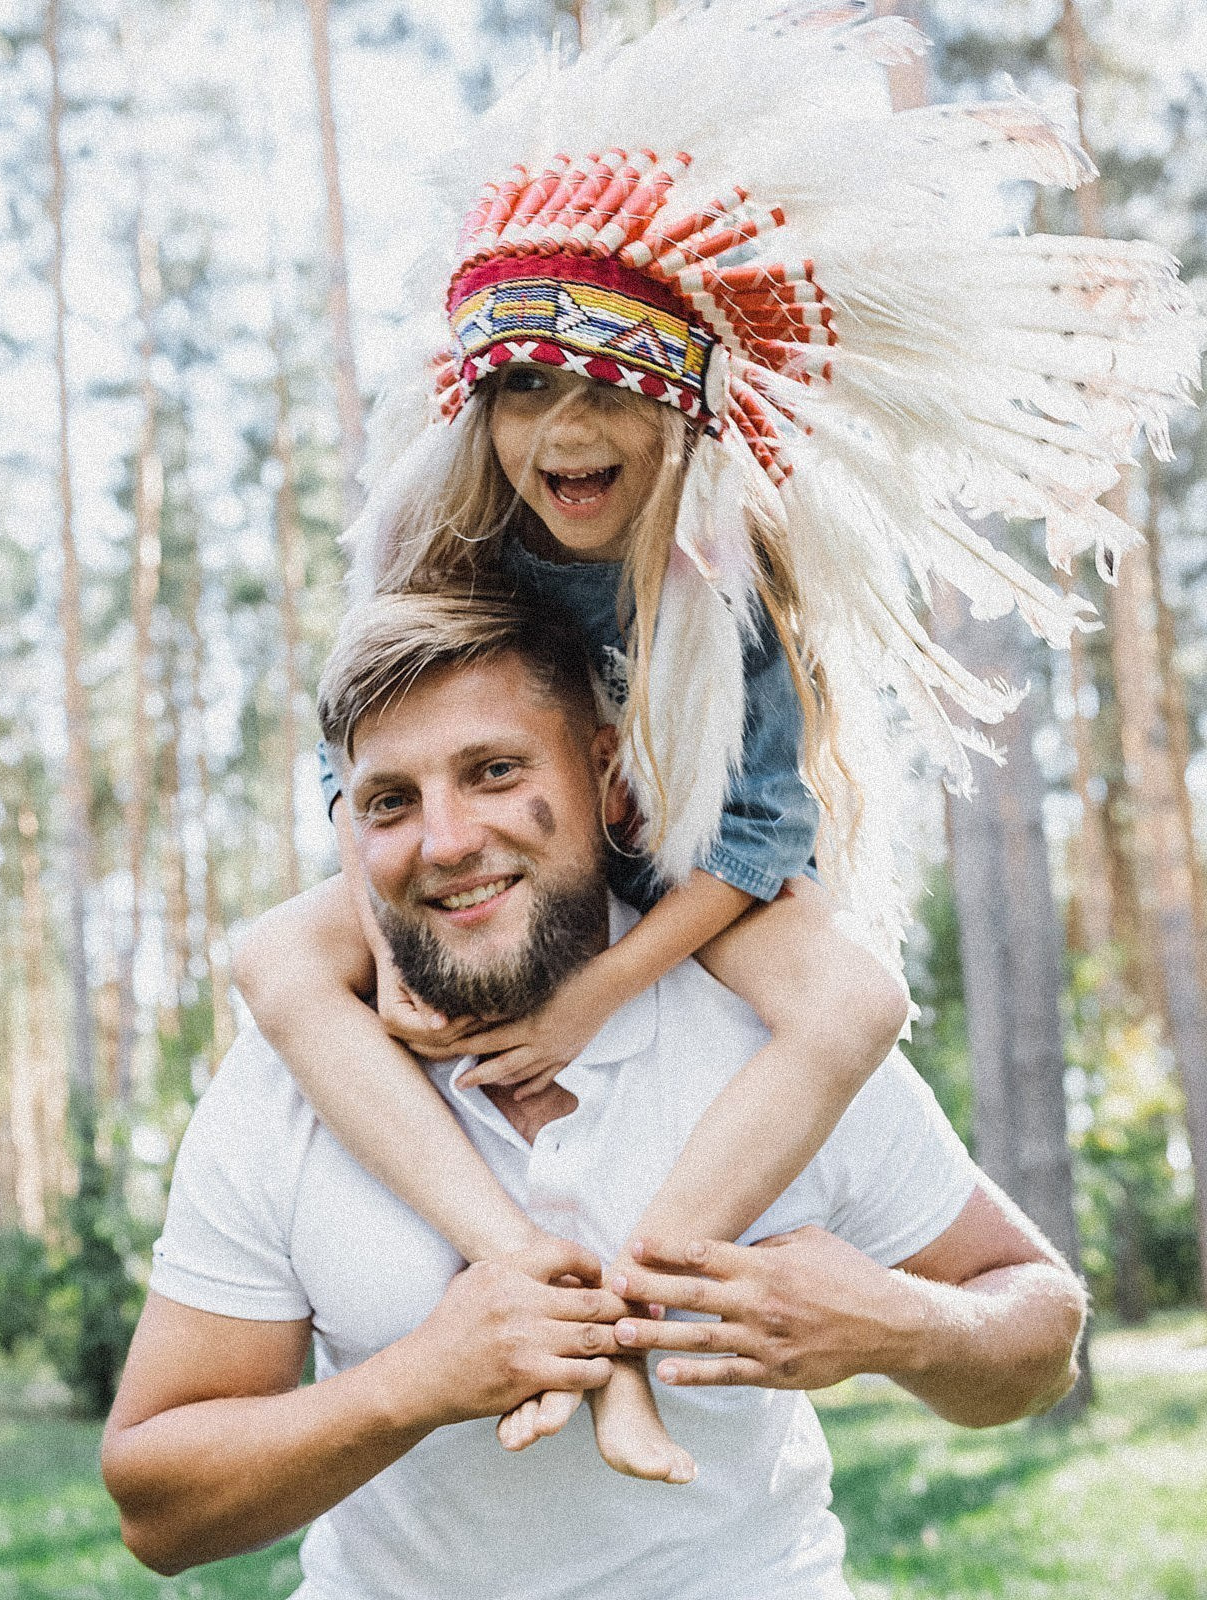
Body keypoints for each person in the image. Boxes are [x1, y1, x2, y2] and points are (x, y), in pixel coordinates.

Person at [232, 2, 1201, 1486]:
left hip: (676, 855)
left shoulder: (715, 584)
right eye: (531, 389)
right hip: (504, 837)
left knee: (854, 1002)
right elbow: (354, 759)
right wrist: (382, 923)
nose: (568, 430)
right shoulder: (444, 543)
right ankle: (526, 1278)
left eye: (615, 389)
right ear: (482, 406)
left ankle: (640, 1306)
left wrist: (600, 993)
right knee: (276, 965)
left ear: (688, 412)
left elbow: (757, 842)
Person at [102, 586, 1088, 1598]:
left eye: (493, 772)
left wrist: (897, 1325)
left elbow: (1039, 1333)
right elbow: (157, 1508)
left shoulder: (774, 1030)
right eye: (389, 801)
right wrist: (415, 1382)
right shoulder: (296, 1071)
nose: (444, 841)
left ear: (606, 777)